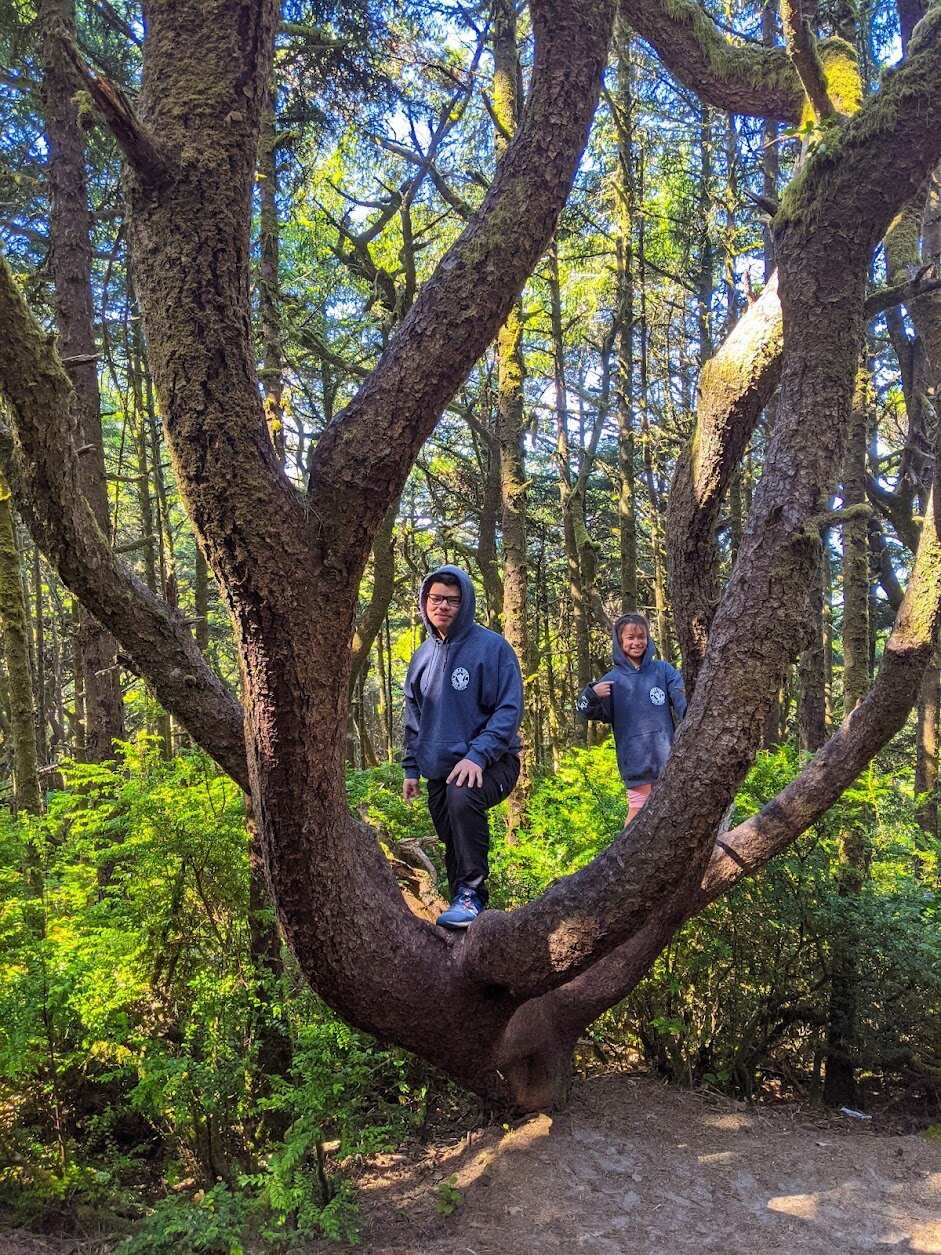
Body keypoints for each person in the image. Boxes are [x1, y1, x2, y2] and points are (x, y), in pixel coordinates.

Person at [402, 565, 523, 928]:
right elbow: (413, 717)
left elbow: (508, 709)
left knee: (461, 793)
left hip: (494, 763)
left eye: (453, 600)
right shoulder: (421, 657)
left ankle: (472, 894)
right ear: (425, 602)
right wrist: (411, 768)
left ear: (465, 603)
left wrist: (477, 755)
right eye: (436, 598)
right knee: (450, 831)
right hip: (440, 766)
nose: (444, 606)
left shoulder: (492, 648)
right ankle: (461, 907)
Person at [576, 613, 686, 825]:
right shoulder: (612, 680)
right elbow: (585, 711)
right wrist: (591, 694)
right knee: (638, 809)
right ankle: (624, 855)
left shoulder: (663, 671)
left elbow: (682, 698)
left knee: (671, 811)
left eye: (641, 636)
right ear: (620, 642)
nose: (637, 642)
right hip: (634, 760)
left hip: (667, 755)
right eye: (630, 638)